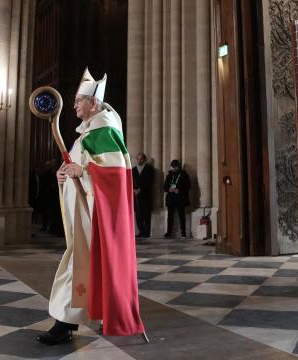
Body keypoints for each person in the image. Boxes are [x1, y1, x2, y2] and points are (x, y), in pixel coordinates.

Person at [39, 68, 144, 345]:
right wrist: (63, 175)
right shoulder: (86, 134)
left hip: (93, 215)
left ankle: (64, 323)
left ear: (94, 103)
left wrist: (80, 170)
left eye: (78, 100)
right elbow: (76, 167)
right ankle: (73, 320)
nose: (74, 105)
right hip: (83, 213)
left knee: (78, 267)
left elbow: (116, 174)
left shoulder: (104, 130)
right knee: (82, 267)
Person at [163, 159, 190, 238]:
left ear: (179, 167)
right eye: (173, 167)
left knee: (181, 216)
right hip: (171, 198)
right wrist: (169, 189)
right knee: (170, 216)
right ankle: (168, 232)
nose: (174, 168)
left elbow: (188, 186)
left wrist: (180, 190)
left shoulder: (184, 175)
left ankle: (183, 233)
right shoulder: (169, 175)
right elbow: (164, 187)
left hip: (180, 198)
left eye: (176, 167)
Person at [132, 153, 155, 238]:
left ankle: (146, 232)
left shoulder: (149, 169)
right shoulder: (133, 170)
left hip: (145, 194)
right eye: (138, 159)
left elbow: (149, 182)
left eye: (141, 159)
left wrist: (140, 189)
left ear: (145, 159)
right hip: (136, 195)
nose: (139, 160)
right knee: (138, 214)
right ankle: (141, 231)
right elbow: (130, 181)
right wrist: (134, 189)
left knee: (146, 214)